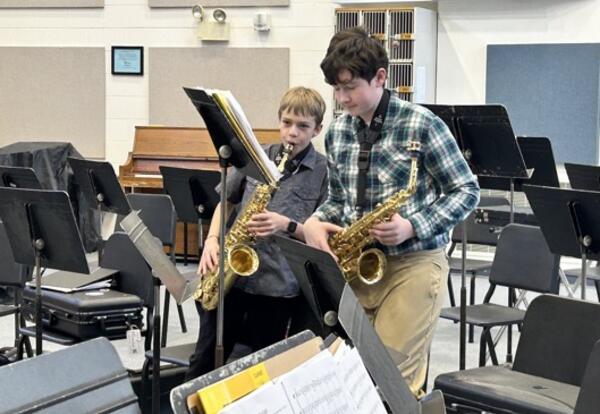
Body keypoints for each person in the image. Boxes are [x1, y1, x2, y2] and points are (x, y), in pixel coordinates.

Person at [303, 27, 480, 396]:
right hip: (358, 266)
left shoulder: (423, 124)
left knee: (393, 382)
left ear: (381, 77)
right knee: (350, 374)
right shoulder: (338, 132)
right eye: (336, 88)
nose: (341, 97)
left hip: (413, 265)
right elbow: (338, 200)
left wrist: (413, 225)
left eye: (349, 87)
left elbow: (466, 191)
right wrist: (316, 221)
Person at [186, 86, 328, 380]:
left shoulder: (324, 171)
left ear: (317, 129)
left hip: (278, 287)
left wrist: (287, 225)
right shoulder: (257, 156)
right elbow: (226, 202)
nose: (292, 133)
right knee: (205, 361)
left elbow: (323, 236)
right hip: (232, 280)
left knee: (263, 371)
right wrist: (212, 240)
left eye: (303, 126)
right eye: (287, 123)